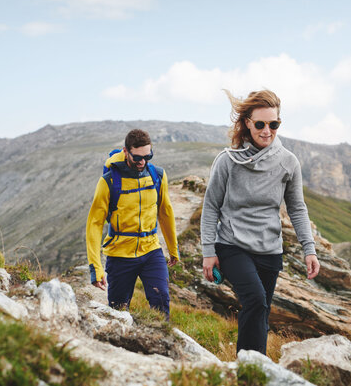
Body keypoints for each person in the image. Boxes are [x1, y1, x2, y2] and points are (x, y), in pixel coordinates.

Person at [200, 89, 320, 355]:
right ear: (247, 123)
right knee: (255, 300)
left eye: (274, 124)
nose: (267, 130)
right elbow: (210, 208)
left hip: (269, 251)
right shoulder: (227, 161)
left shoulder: (288, 162)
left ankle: (254, 370)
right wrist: (209, 252)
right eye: (260, 124)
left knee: (260, 314)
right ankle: (249, 373)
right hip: (233, 246)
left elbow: (297, 208)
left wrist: (309, 249)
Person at [86, 128, 179, 317]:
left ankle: (162, 345)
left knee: (161, 302)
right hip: (119, 255)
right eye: (137, 158)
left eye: (148, 156)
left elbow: (165, 213)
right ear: (126, 151)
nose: (143, 162)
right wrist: (95, 267)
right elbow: (94, 224)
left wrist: (173, 248)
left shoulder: (158, 176)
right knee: (118, 312)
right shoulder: (108, 182)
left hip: (151, 250)